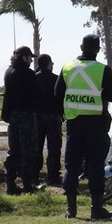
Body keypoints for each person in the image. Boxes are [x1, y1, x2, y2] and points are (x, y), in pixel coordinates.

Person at [55, 34, 112, 220]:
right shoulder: (102, 70)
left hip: (74, 123)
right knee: (95, 166)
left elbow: (57, 94)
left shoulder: (67, 68)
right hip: (96, 124)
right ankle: (96, 208)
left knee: (72, 165)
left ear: (81, 47)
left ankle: (71, 209)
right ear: (98, 50)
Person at [1, 46, 41, 194]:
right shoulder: (28, 73)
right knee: (28, 151)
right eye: (30, 57)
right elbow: (38, 94)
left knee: (14, 150)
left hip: (12, 116)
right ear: (24, 57)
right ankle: (28, 185)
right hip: (26, 116)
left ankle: (10, 184)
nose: (31, 60)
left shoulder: (8, 72)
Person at [34, 54, 63, 185]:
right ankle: (53, 176)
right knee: (54, 148)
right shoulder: (56, 79)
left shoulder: (33, 79)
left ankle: (34, 175)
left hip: (36, 117)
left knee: (36, 147)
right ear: (49, 64)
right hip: (53, 116)